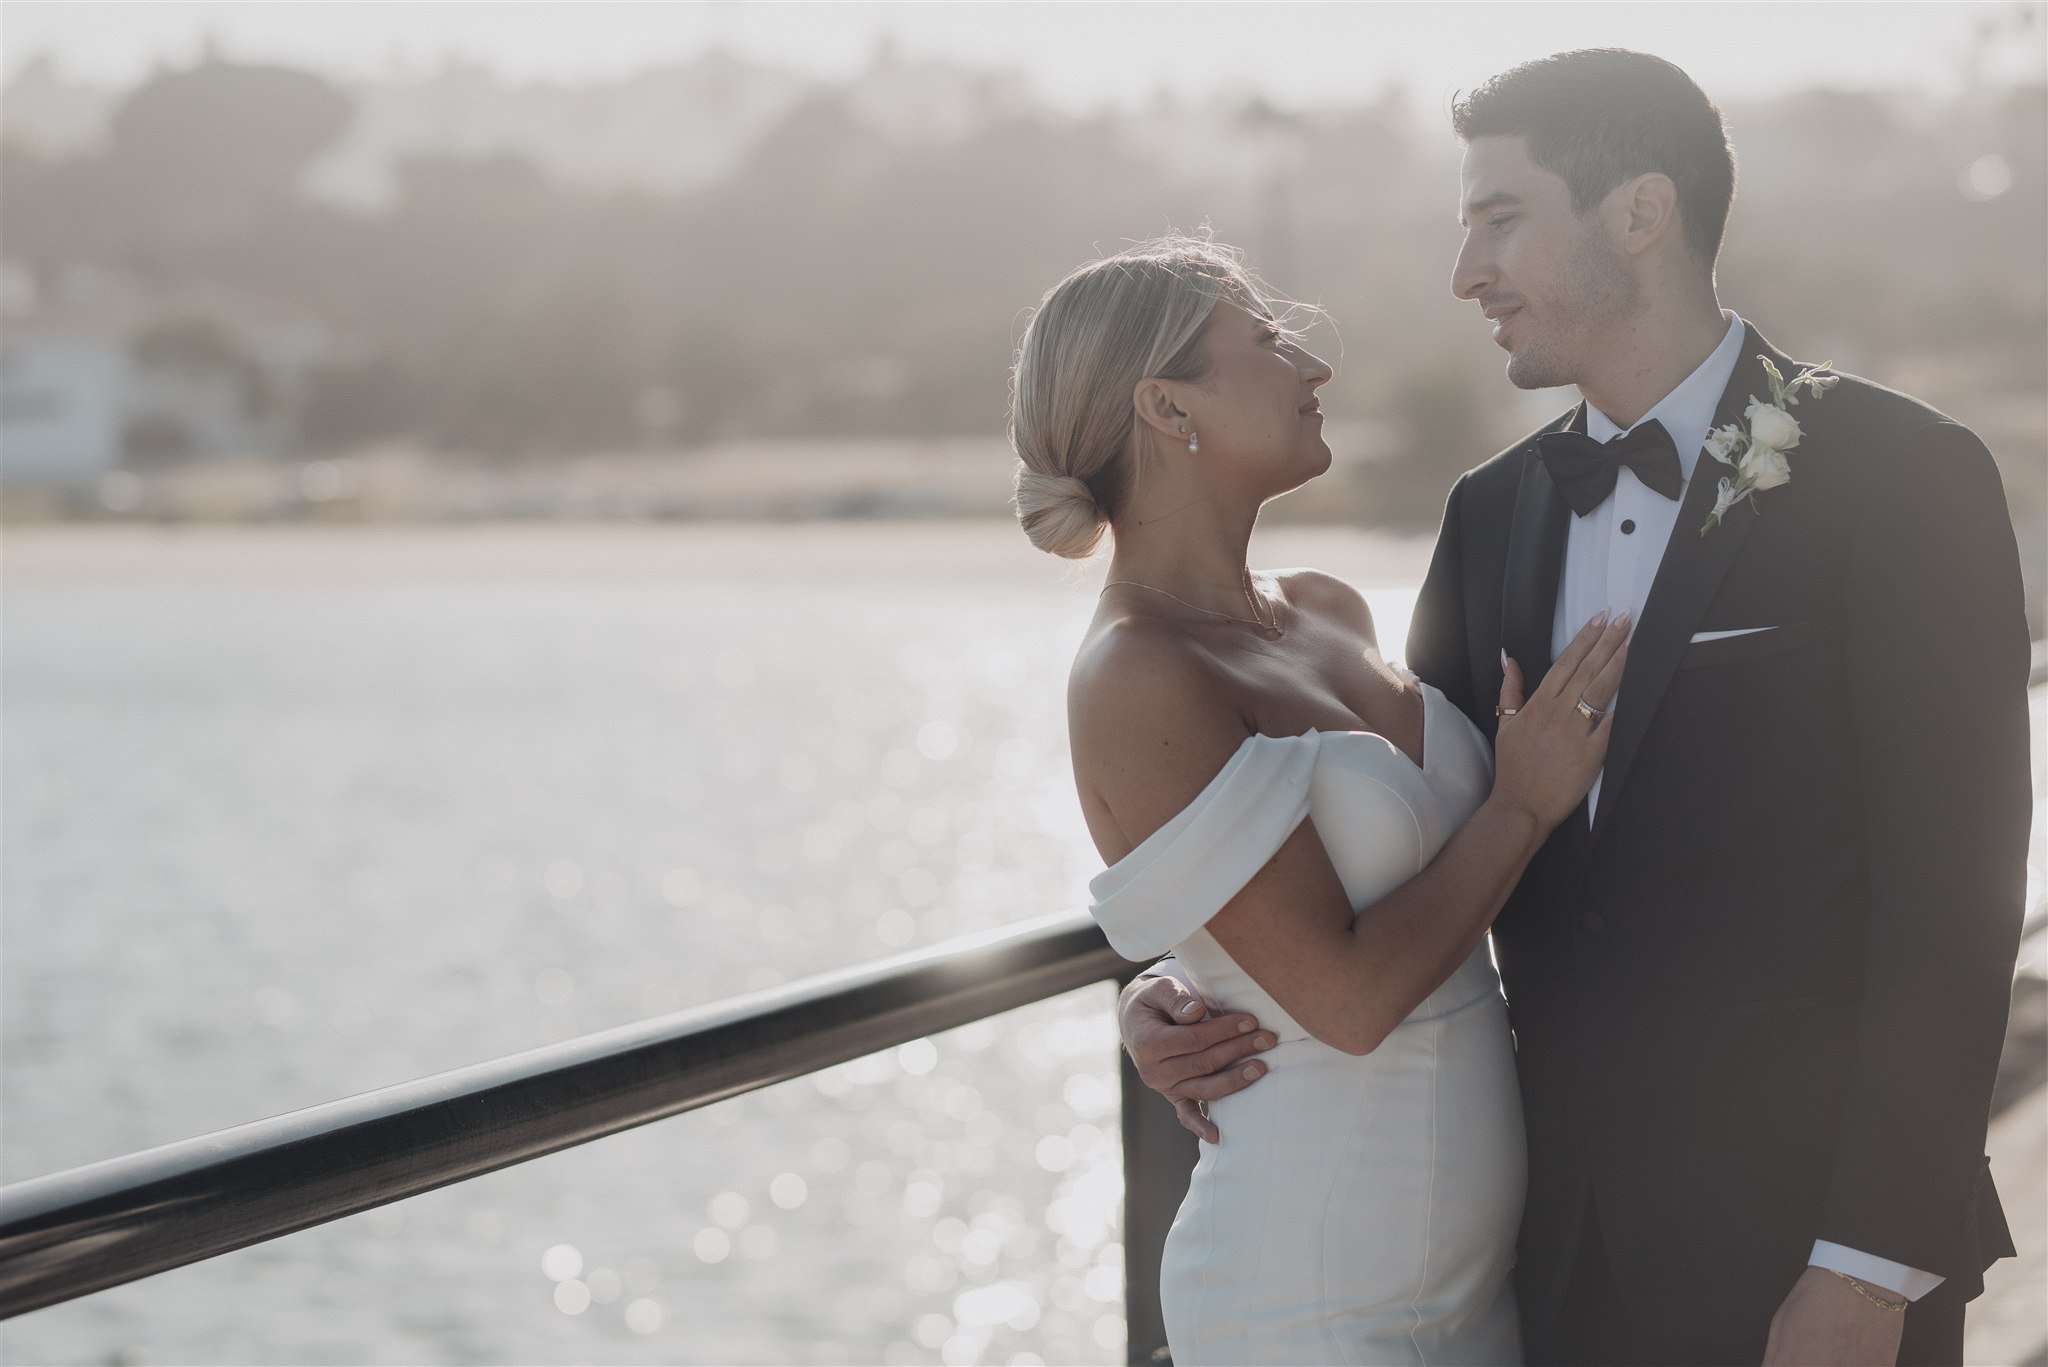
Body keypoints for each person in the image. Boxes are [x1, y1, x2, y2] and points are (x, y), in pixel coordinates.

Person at [1118, 50, 2032, 1367]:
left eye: (1499, 217)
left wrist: (1867, 1270)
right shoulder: (1491, 514)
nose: (1465, 271)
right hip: (1542, 1260)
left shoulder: (1905, 476)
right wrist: (1181, 980)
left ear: (1639, 213)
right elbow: (1406, 821)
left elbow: (1959, 900)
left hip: (1810, 1259)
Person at [1013, 234, 1633, 1364]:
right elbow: (1341, 999)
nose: (1313, 365)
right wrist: (1520, 803)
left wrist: (1170, 979)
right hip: (1309, 1291)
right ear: (1165, 406)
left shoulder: (1328, 607)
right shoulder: (1136, 670)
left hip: (1471, 1280)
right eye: (1263, 341)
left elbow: (1301, 897)